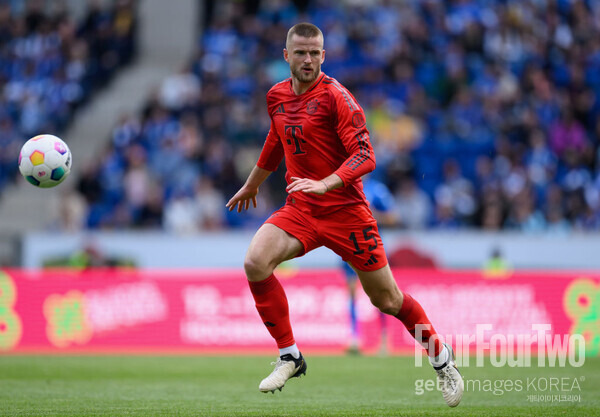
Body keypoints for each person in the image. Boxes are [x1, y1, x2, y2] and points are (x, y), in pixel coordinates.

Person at [226, 23, 464, 407]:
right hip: (302, 208)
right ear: (286, 56)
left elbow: (367, 156)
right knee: (255, 262)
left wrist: (326, 183)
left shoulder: (338, 97)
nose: (308, 60)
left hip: (346, 212)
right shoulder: (276, 96)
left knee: (387, 300)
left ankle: (441, 359)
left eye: (315, 53)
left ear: (324, 55)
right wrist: (254, 183)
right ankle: (290, 355)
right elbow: (277, 139)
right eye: (301, 52)